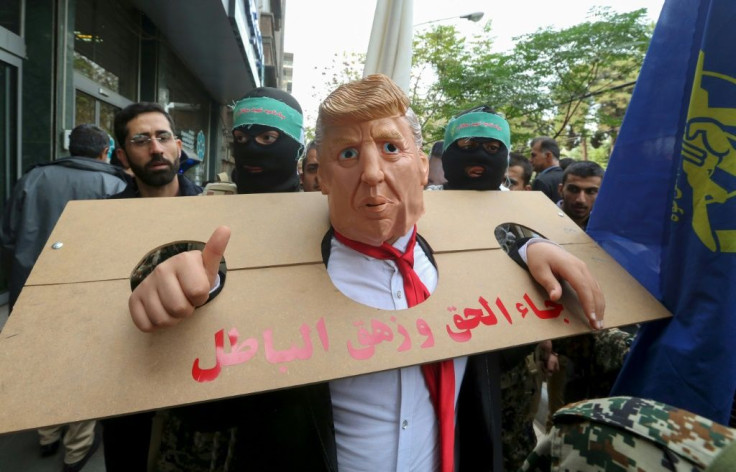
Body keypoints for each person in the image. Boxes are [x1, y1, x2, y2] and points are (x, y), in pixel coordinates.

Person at [126, 74, 605, 471]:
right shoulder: (259, 271)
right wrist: (191, 300)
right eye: (348, 155)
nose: (373, 173)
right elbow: (214, 414)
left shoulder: (484, 257)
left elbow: (501, 359)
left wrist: (529, 245)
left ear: (422, 167)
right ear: (323, 177)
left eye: (391, 148)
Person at [0, 123, 128, 472]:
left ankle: (46, 434)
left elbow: (9, 238)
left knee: (42, 359)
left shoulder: (33, 178)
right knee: (83, 363)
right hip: (88, 294)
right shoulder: (115, 185)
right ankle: (77, 447)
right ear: (105, 152)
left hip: (31, 287)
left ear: (71, 147)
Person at [101, 102, 204, 472]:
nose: (155, 148)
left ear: (178, 146)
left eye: (162, 137)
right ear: (123, 154)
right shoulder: (99, 219)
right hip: (126, 381)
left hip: (201, 381)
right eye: (141, 140)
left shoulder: (215, 209)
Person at [230, 87, 304, 194]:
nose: (251, 149)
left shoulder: (320, 207)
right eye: (241, 138)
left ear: (297, 146)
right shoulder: (211, 203)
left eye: (267, 138)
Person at [557, 160, 604, 230]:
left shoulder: (603, 229)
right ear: (561, 190)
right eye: (573, 190)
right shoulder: (540, 223)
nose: (581, 200)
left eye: (590, 191)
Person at [529, 136, 564, 202]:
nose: (530, 160)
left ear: (548, 155)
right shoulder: (567, 177)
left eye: (533, 155)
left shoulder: (540, 181)